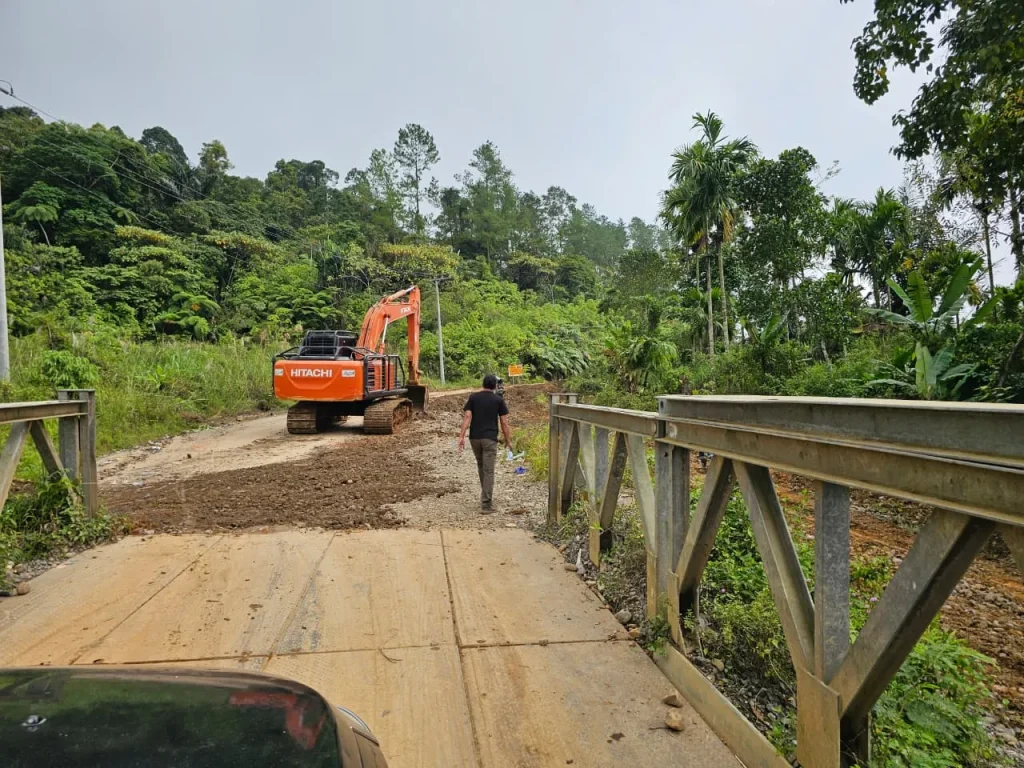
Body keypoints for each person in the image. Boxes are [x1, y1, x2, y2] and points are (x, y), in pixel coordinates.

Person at [458, 374, 513, 512]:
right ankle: (486, 504)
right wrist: (508, 440)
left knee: (481, 466)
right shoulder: (498, 400)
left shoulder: (473, 398)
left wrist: (461, 436)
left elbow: (467, 416)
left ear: (482, 384)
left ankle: (485, 495)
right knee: (488, 471)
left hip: (474, 438)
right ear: (494, 386)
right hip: (489, 439)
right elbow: (504, 422)